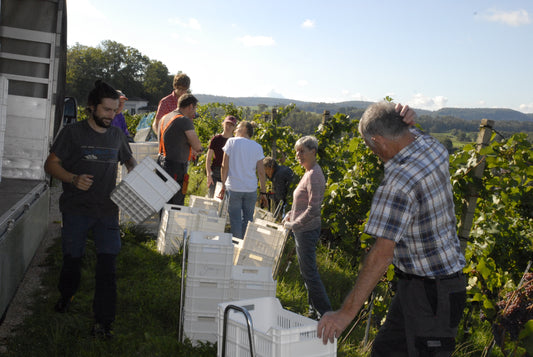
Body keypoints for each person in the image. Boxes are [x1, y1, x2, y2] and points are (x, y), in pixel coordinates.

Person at [317, 102, 466, 357]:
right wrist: (409, 119)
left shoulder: (398, 184)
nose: (372, 152)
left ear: (378, 141)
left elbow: (381, 255)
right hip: (420, 286)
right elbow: (411, 132)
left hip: (432, 296)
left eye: (369, 146)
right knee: (385, 351)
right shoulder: (432, 147)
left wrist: (346, 313)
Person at [44, 80, 137, 339]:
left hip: (107, 211)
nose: (112, 115)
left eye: (115, 110)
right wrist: (73, 178)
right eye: (107, 110)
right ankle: (67, 294)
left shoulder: (117, 136)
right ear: (92, 108)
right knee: (72, 259)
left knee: (108, 267)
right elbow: (50, 165)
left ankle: (103, 322)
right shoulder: (73, 133)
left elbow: (127, 158)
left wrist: (135, 168)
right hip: (76, 209)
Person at [282, 136, 331, 319]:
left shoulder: (314, 176)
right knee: (307, 271)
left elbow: (313, 209)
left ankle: (325, 315)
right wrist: (290, 214)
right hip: (302, 230)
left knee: (310, 273)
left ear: (313, 152)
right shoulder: (309, 172)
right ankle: (314, 311)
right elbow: (302, 204)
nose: (298, 155)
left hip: (306, 231)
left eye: (302, 151)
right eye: (296, 151)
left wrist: (294, 224)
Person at [221, 121, 268, 238]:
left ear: (244, 129)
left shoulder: (231, 142)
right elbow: (261, 172)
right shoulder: (257, 147)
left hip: (234, 187)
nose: (235, 130)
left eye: (237, 128)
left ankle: (236, 246)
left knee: (235, 220)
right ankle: (244, 247)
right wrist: (263, 192)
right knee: (248, 220)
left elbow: (224, 166)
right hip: (250, 189)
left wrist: (223, 185)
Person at [157, 93, 202, 206]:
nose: (194, 113)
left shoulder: (164, 118)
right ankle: (173, 224)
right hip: (175, 167)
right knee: (175, 203)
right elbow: (197, 146)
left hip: (161, 163)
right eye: (195, 108)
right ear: (191, 106)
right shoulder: (184, 120)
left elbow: (172, 139)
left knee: (164, 200)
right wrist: (199, 149)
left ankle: (163, 223)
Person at [206, 115, 236, 198]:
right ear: (223, 124)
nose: (228, 127)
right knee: (211, 197)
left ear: (234, 128)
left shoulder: (235, 141)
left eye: (231, 125)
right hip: (215, 172)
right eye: (227, 124)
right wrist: (209, 175)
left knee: (226, 200)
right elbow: (208, 159)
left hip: (229, 173)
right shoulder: (216, 139)